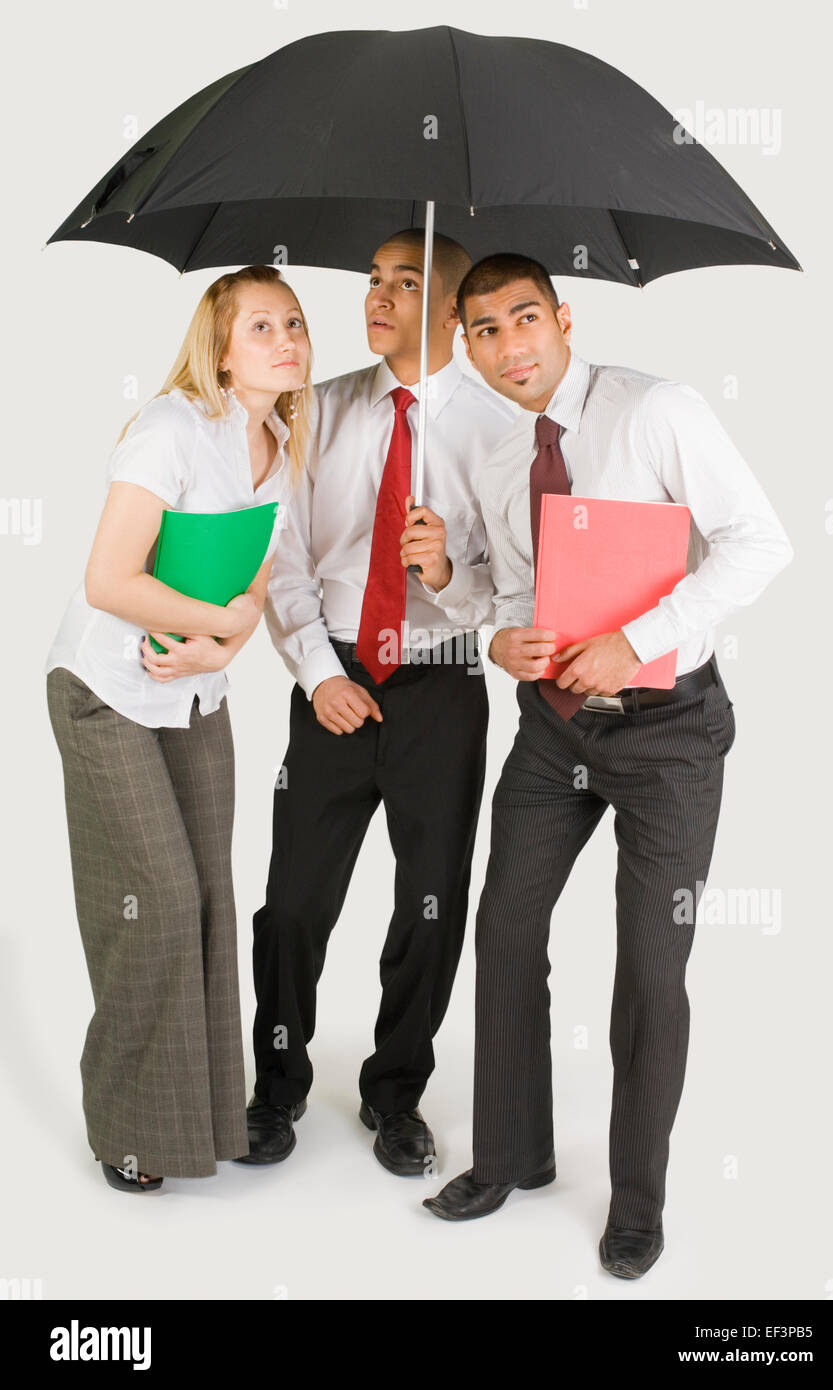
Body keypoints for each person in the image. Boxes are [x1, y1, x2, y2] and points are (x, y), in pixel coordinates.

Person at [422, 253, 794, 1278]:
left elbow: (757, 542)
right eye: (484, 330)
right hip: (550, 731)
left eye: (523, 317)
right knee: (501, 930)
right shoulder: (498, 460)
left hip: (666, 730)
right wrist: (477, 614)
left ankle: (636, 1202)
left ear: (562, 316)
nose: (510, 345)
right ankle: (508, 1156)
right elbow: (507, 598)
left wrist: (640, 636)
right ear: (466, 346)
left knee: (648, 967)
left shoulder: (654, 410)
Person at [237, 230, 516, 1175]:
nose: (378, 295)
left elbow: (511, 591)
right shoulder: (313, 412)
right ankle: (274, 1089)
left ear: (449, 310)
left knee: (431, 904)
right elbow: (279, 561)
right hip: (336, 672)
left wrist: (449, 570)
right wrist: (319, 675)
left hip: (442, 680)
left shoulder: (496, 426)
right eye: (372, 278)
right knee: (290, 903)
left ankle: (395, 1093)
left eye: (407, 281)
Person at [45, 264, 313, 1191]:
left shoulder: (281, 443)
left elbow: (251, 587)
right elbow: (109, 581)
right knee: (152, 903)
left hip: (192, 691)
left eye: (294, 323)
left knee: (208, 899)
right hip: (107, 689)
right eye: (261, 328)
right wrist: (224, 631)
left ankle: (199, 1116)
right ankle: (125, 1126)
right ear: (221, 348)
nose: (286, 341)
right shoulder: (168, 430)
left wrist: (221, 647)